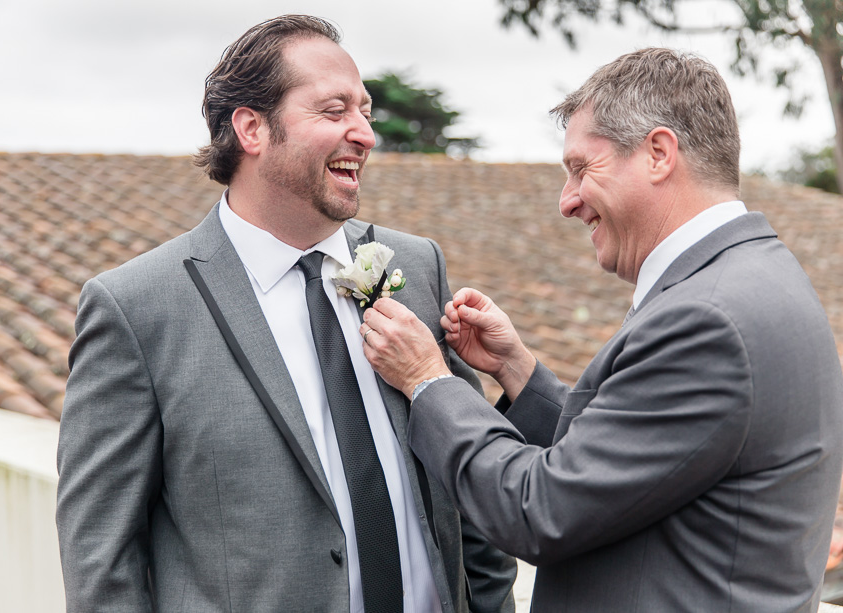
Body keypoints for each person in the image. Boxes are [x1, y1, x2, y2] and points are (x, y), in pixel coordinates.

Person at [56, 14, 516, 613]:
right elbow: (101, 559)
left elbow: (468, 481)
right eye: (334, 111)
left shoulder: (416, 266)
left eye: (365, 112)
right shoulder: (137, 308)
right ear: (251, 128)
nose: (365, 134)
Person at [360, 47, 843, 611]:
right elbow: (636, 461)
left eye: (581, 169)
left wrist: (427, 380)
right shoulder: (756, 276)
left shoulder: (707, 319)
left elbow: (537, 512)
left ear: (658, 153)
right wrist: (516, 369)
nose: (567, 202)